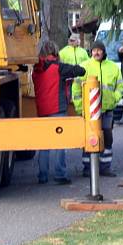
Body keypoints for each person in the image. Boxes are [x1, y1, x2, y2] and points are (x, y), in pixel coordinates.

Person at [32, 40, 85, 184]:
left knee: (44, 145)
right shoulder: (59, 68)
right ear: (55, 52)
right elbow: (80, 71)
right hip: (57, 109)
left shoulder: (36, 69)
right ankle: (60, 174)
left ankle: (42, 175)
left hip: (42, 110)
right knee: (60, 143)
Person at [72, 40, 123, 177]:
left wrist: (114, 98)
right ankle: (88, 168)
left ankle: (105, 167)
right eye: (94, 50)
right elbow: (76, 88)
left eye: (99, 50)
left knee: (107, 137)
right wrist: (79, 107)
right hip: (88, 112)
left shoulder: (113, 67)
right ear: (91, 52)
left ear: (103, 51)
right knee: (89, 138)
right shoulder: (84, 67)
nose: (96, 52)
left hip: (107, 109)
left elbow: (120, 86)